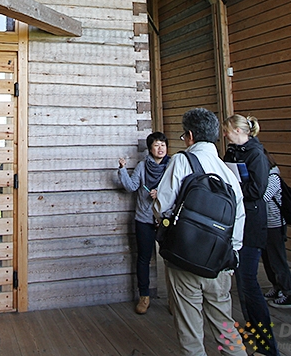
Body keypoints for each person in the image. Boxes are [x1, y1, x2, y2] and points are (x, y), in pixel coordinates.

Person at [154, 108, 247, 356]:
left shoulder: (182, 161)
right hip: (219, 262)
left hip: (184, 258)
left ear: (190, 136)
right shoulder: (227, 172)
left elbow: (162, 206)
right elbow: (239, 218)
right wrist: (231, 256)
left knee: (190, 332)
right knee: (226, 327)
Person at [222, 114, 278, 356]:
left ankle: (267, 345)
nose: (225, 134)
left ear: (238, 130)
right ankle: (254, 333)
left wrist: (233, 186)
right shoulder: (233, 152)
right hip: (236, 221)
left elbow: (257, 189)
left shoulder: (256, 154)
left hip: (252, 224)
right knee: (243, 284)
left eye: (227, 130)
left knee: (248, 282)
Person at [117, 131, 171, 314]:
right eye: (156, 145)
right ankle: (144, 296)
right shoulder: (142, 166)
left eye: (163, 145)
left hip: (166, 219)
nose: (160, 148)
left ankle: (173, 298)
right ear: (150, 148)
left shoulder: (172, 165)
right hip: (144, 218)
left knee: (171, 260)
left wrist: (161, 193)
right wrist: (122, 169)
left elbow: (178, 189)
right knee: (143, 258)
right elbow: (132, 187)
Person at [260, 151, 291, 309]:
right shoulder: (265, 177)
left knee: (277, 259)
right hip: (265, 225)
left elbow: (263, 197)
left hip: (275, 225)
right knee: (268, 259)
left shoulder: (273, 178)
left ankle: (288, 293)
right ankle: (276, 286)